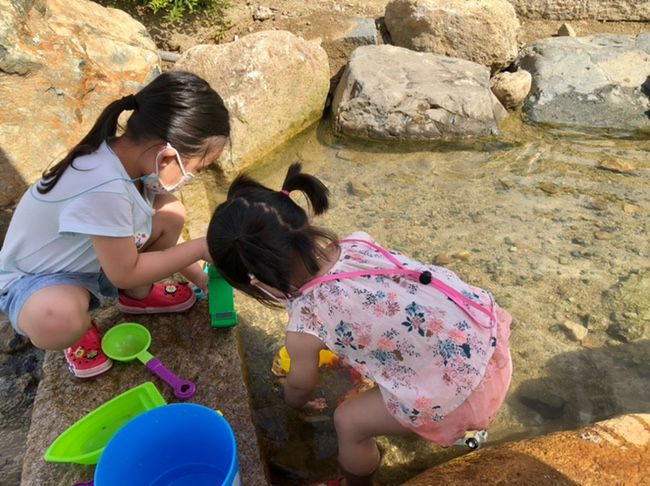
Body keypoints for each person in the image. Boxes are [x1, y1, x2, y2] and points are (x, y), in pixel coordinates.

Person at [207, 163, 513, 486]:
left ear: (256, 283)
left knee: (348, 421)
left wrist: (293, 402)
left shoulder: (305, 324)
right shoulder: (355, 244)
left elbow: (300, 385)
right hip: (487, 341)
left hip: (459, 395)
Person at [0, 71, 230, 378]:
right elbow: (124, 270)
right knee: (58, 317)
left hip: (96, 260)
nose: (193, 178)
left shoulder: (128, 161)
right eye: (195, 169)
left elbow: (144, 242)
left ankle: (139, 294)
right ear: (167, 156)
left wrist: (199, 277)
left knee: (170, 211)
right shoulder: (103, 186)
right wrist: (201, 247)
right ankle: (78, 330)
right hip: (38, 280)